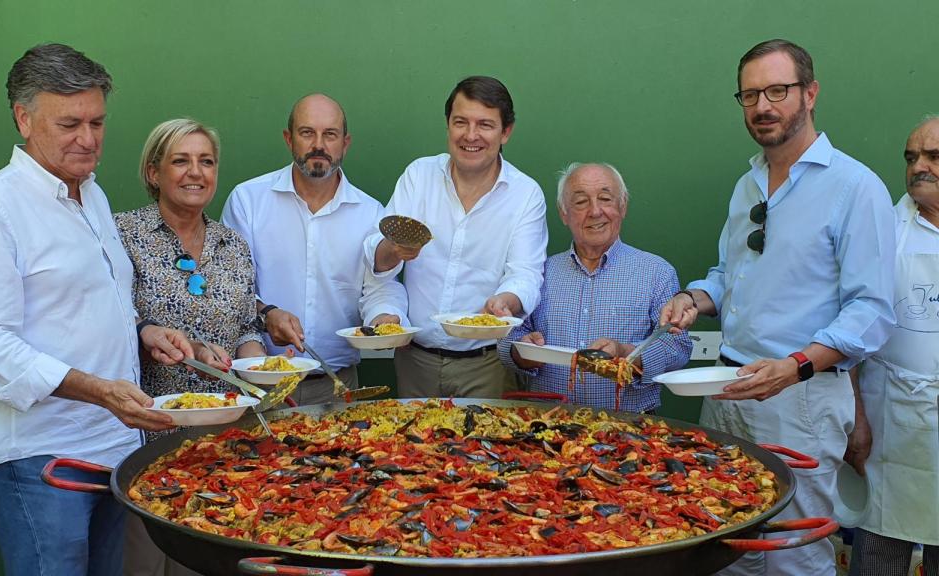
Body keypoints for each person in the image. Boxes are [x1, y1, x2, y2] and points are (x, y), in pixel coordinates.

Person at [0, 44, 207, 576]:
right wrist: (100, 391)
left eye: (97, 122)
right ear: (24, 119)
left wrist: (144, 332)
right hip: (41, 460)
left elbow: (88, 305)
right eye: (69, 124)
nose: (88, 139)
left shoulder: (93, 195)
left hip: (114, 450)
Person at [660, 39, 895, 576]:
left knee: (793, 555)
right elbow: (730, 275)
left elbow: (873, 310)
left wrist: (795, 366)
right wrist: (694, 298)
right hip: (727, 391)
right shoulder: (747, 185)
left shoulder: (855, 187)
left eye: (777, 91)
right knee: (726, 550)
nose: (762, 106)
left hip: (800, 398)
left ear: (810, 94)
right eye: (749, 95)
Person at [116, 119, 267, 576]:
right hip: (145, 434)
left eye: (206, 161)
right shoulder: (121, 235)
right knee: (143, 563)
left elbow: (246, 326)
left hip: (222, 442)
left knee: (205, 559)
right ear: (153, 172)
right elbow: (105, 319)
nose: (196, 172)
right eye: (181, 161)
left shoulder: (233, 245)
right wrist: (151, 333)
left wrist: (259, 366)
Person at [365, 76, 548, 399]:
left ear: (506, 132)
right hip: (415, 360)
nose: (470, 135)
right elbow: (378, 264)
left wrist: (505, 301)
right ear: (448, 125)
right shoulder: (419, 176)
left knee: (488, 435)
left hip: (488, 364)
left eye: (485, 125)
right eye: (461, 122)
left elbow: (526, 273)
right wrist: (393, 249)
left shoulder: (525, 194)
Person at [222, 93, 407, 405]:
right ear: (289, 139)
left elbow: (380, 288)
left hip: (337, 384)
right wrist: (267, 314)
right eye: (307, 133)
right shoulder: (248, 201)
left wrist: (383, 318)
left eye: (330, 135)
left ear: (345, 143)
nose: (318, 145)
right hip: (261, 383)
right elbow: (230, 288)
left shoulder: (370, 212)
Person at [499, 163, 691, 411]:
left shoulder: (657, 272)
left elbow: (677, 346)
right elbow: (507, 340)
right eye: (581, 202)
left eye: (605, 199)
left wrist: (627, 353)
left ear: (623, 206)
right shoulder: (539, 272)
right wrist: (522, 352)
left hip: (631, 425)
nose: (595, 211)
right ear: (563, 213)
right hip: (547, 422)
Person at [848, 116, 939, 576]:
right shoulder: (882, 227)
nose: (919, 166)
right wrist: (856, 417)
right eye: (911, 157)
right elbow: (848, 325)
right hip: (890, 422)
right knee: (879, 550)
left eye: (934, 157)